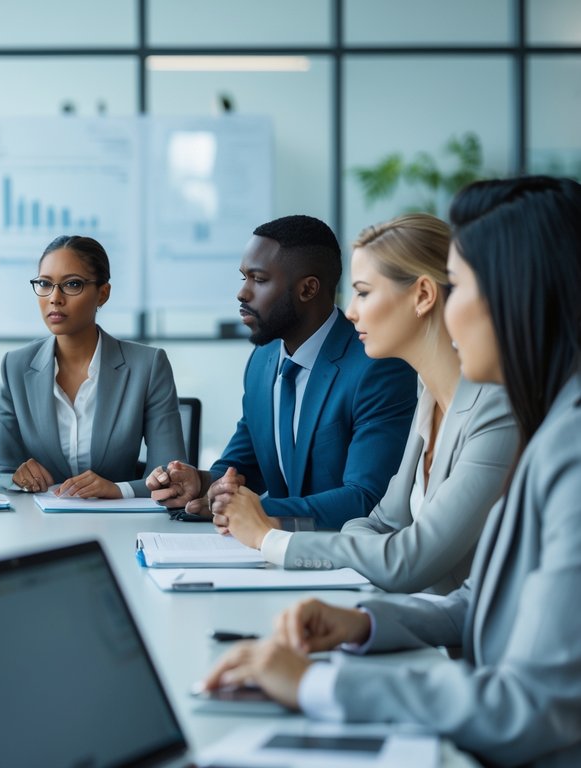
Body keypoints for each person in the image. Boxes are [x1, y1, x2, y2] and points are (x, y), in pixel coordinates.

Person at [202, 176, 581, 767]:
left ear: (518, 293)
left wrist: (316, 685)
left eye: (464, 288)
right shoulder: (547, 420)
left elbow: (531, 705)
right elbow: (473, 597)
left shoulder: (565, 445)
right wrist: (359, 624)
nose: (452, 311)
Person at [213, 214, 515, 594]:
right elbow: (373, 523)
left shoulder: (494, 409)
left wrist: (268, 537)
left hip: (446, 637)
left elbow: (410, 557)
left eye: (364, 292)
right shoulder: (428, 399)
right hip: (399, 615)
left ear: (422, 296)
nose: (351, 311)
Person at [145, 215, 416, 530]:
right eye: (243, 277)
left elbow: (366, 498)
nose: (242, 293)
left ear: (308, 289)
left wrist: (254, 509)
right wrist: (202, 484)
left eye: (258, 279)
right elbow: (246, 466)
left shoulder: (378, 366)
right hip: (273, 554)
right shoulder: (263, 361)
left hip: (344, 559)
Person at [0, 235, 185, 497]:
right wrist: (18, 477)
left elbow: (172, 475)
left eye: (72, 284)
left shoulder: (147, 366)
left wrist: (117, 490)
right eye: (45, 284)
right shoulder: (15, 367)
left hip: (119, 524)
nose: (55, 298)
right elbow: (2, 471)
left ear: (102, 294)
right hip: (38, 526)